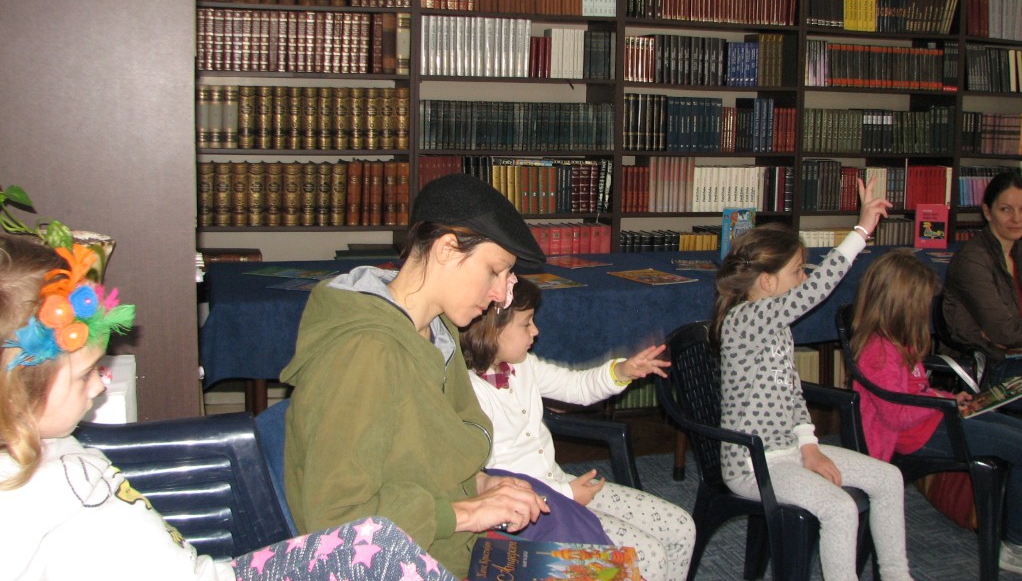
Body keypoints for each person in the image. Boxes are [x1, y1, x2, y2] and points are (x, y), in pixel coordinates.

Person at [0, 235, 457, 581]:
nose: (101, 384)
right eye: (85, 374)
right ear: (20, 390)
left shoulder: (56, 446)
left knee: (376, 543)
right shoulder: (29, 497)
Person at [280, 173, 553, 578]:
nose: (501, 296)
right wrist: (465, 513)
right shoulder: (366, 352)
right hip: (399, 564)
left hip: (441, 550)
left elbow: (420, 455)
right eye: (494, 271)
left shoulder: (438, 331)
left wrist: (479, 484)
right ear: (446, 249)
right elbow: (337, 522)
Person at [712, 177, 916, 581]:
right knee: (839, 508)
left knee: (888, 478)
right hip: (754, 463)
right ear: (767, 282)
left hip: (789, 450)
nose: (804, 278)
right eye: (798, 271)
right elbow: (816, 291)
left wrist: (810, 448)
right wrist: (861, 230)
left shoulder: (776, 326)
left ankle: (897, 574)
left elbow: (793, 394)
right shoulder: (745, 320)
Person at [461, 277, 696, 581]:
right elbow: (490, 479)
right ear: (492, 331)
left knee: (681, 528)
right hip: (531, 513)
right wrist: (566, 494)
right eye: (527, 323)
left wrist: (622, 371)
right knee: (647, 554)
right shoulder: (468, 393)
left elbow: (576, 386)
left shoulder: (522, 365)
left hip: (561, 488)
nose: (536, 331)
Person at [850, 247, 1022, 575]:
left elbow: (913, 393)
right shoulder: (880, 353)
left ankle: (1016, 533)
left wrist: (947, 398)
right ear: (901, 304)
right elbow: (897, 414)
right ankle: (1016, 544)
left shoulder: (895, 340)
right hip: (919, 435)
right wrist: (943, 406)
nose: (925, 313)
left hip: (934, 421)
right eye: (922, 305)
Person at [943, 170, 1022, 386]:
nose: (1016, 218)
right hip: (994, 366)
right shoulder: (972, 261)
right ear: (987, 212)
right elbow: (1004, 333)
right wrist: (1008, 335)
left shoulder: (1020, 251)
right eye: (1006, 209)